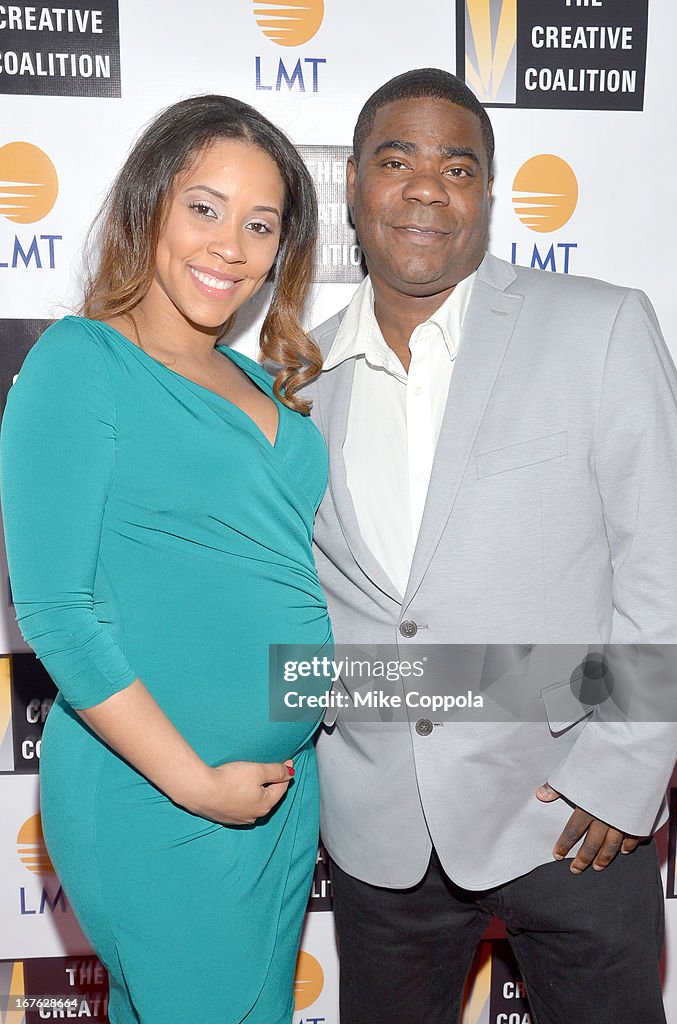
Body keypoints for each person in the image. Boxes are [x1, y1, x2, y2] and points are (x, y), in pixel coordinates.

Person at [307, 68, 677, 1024]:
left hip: (573, 816)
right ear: (350, 182)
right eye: (395, 160)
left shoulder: (598, 326)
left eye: (457, 166)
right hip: (377, 833)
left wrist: (625, 772)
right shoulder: (292, 382)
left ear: (487, 192)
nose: (426, 188)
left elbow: (661, 565)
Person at [0, 94, 331, 1024]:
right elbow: (57, 612)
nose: (230, 244)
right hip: (159, 792)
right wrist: (197, 784)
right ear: (150, 202)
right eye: (205, 207)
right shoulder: (79, 363)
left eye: (259, 224)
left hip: (278, 792)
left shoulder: (267, 382)